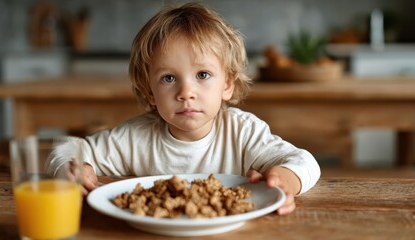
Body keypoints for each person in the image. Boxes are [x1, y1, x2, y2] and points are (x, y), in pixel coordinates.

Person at [46, 2, 320, 215]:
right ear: (150, 93)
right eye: (168, 78)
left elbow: (306, 163)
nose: (186, 93)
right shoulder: (133, 139)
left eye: (202, 75)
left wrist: (286, 180)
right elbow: (66, 148)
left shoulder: (243, 132)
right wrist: (72, 169)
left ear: (228, 84)